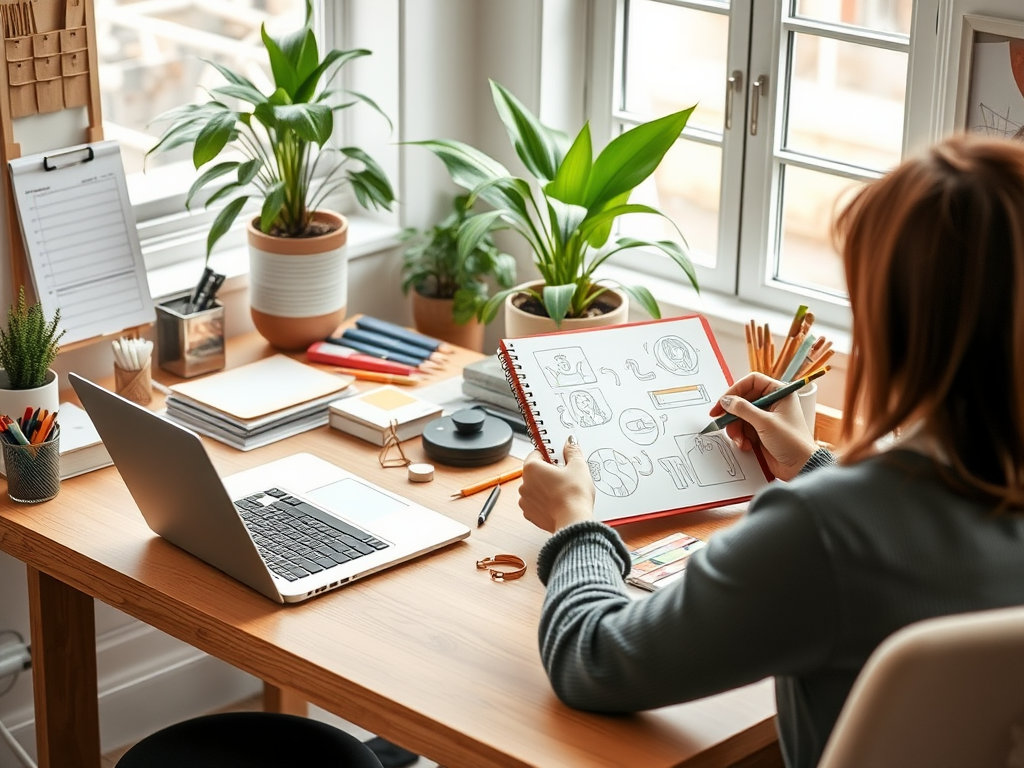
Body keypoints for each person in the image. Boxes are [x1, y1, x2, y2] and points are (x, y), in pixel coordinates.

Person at [517, 134, 1024, 768]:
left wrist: (576, 523)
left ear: (893, 326)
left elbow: (592, 660)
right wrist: (811, 465)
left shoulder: (820, 531)